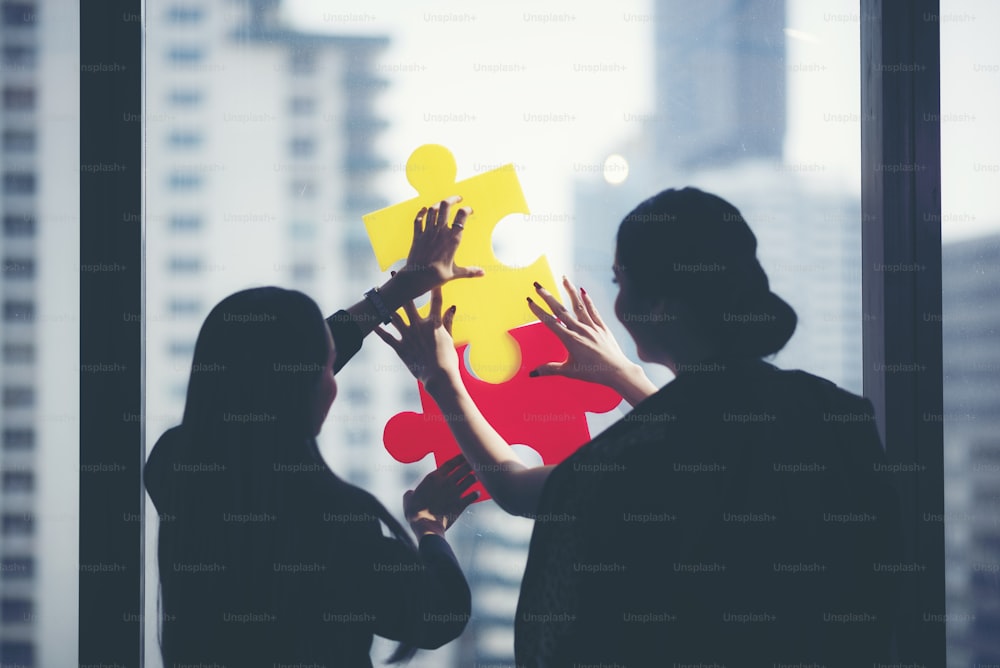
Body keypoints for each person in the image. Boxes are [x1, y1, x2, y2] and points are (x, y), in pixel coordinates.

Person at [377, 187, 903, 667]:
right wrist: (628, 378)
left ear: (660, 304)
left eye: (620, 281)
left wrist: (443, 380)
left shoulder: (642, 453)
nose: (616, 303)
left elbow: (518, 489)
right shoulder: (834, 411)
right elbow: (716, 436)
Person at [144, 198, 482, 667]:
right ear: (295, 387)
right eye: (326, 367)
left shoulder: (176, 467)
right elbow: (438, 612)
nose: (333, 380)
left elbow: (266, 364)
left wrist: (399, 290)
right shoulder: (332, 521)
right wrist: (430, 525)